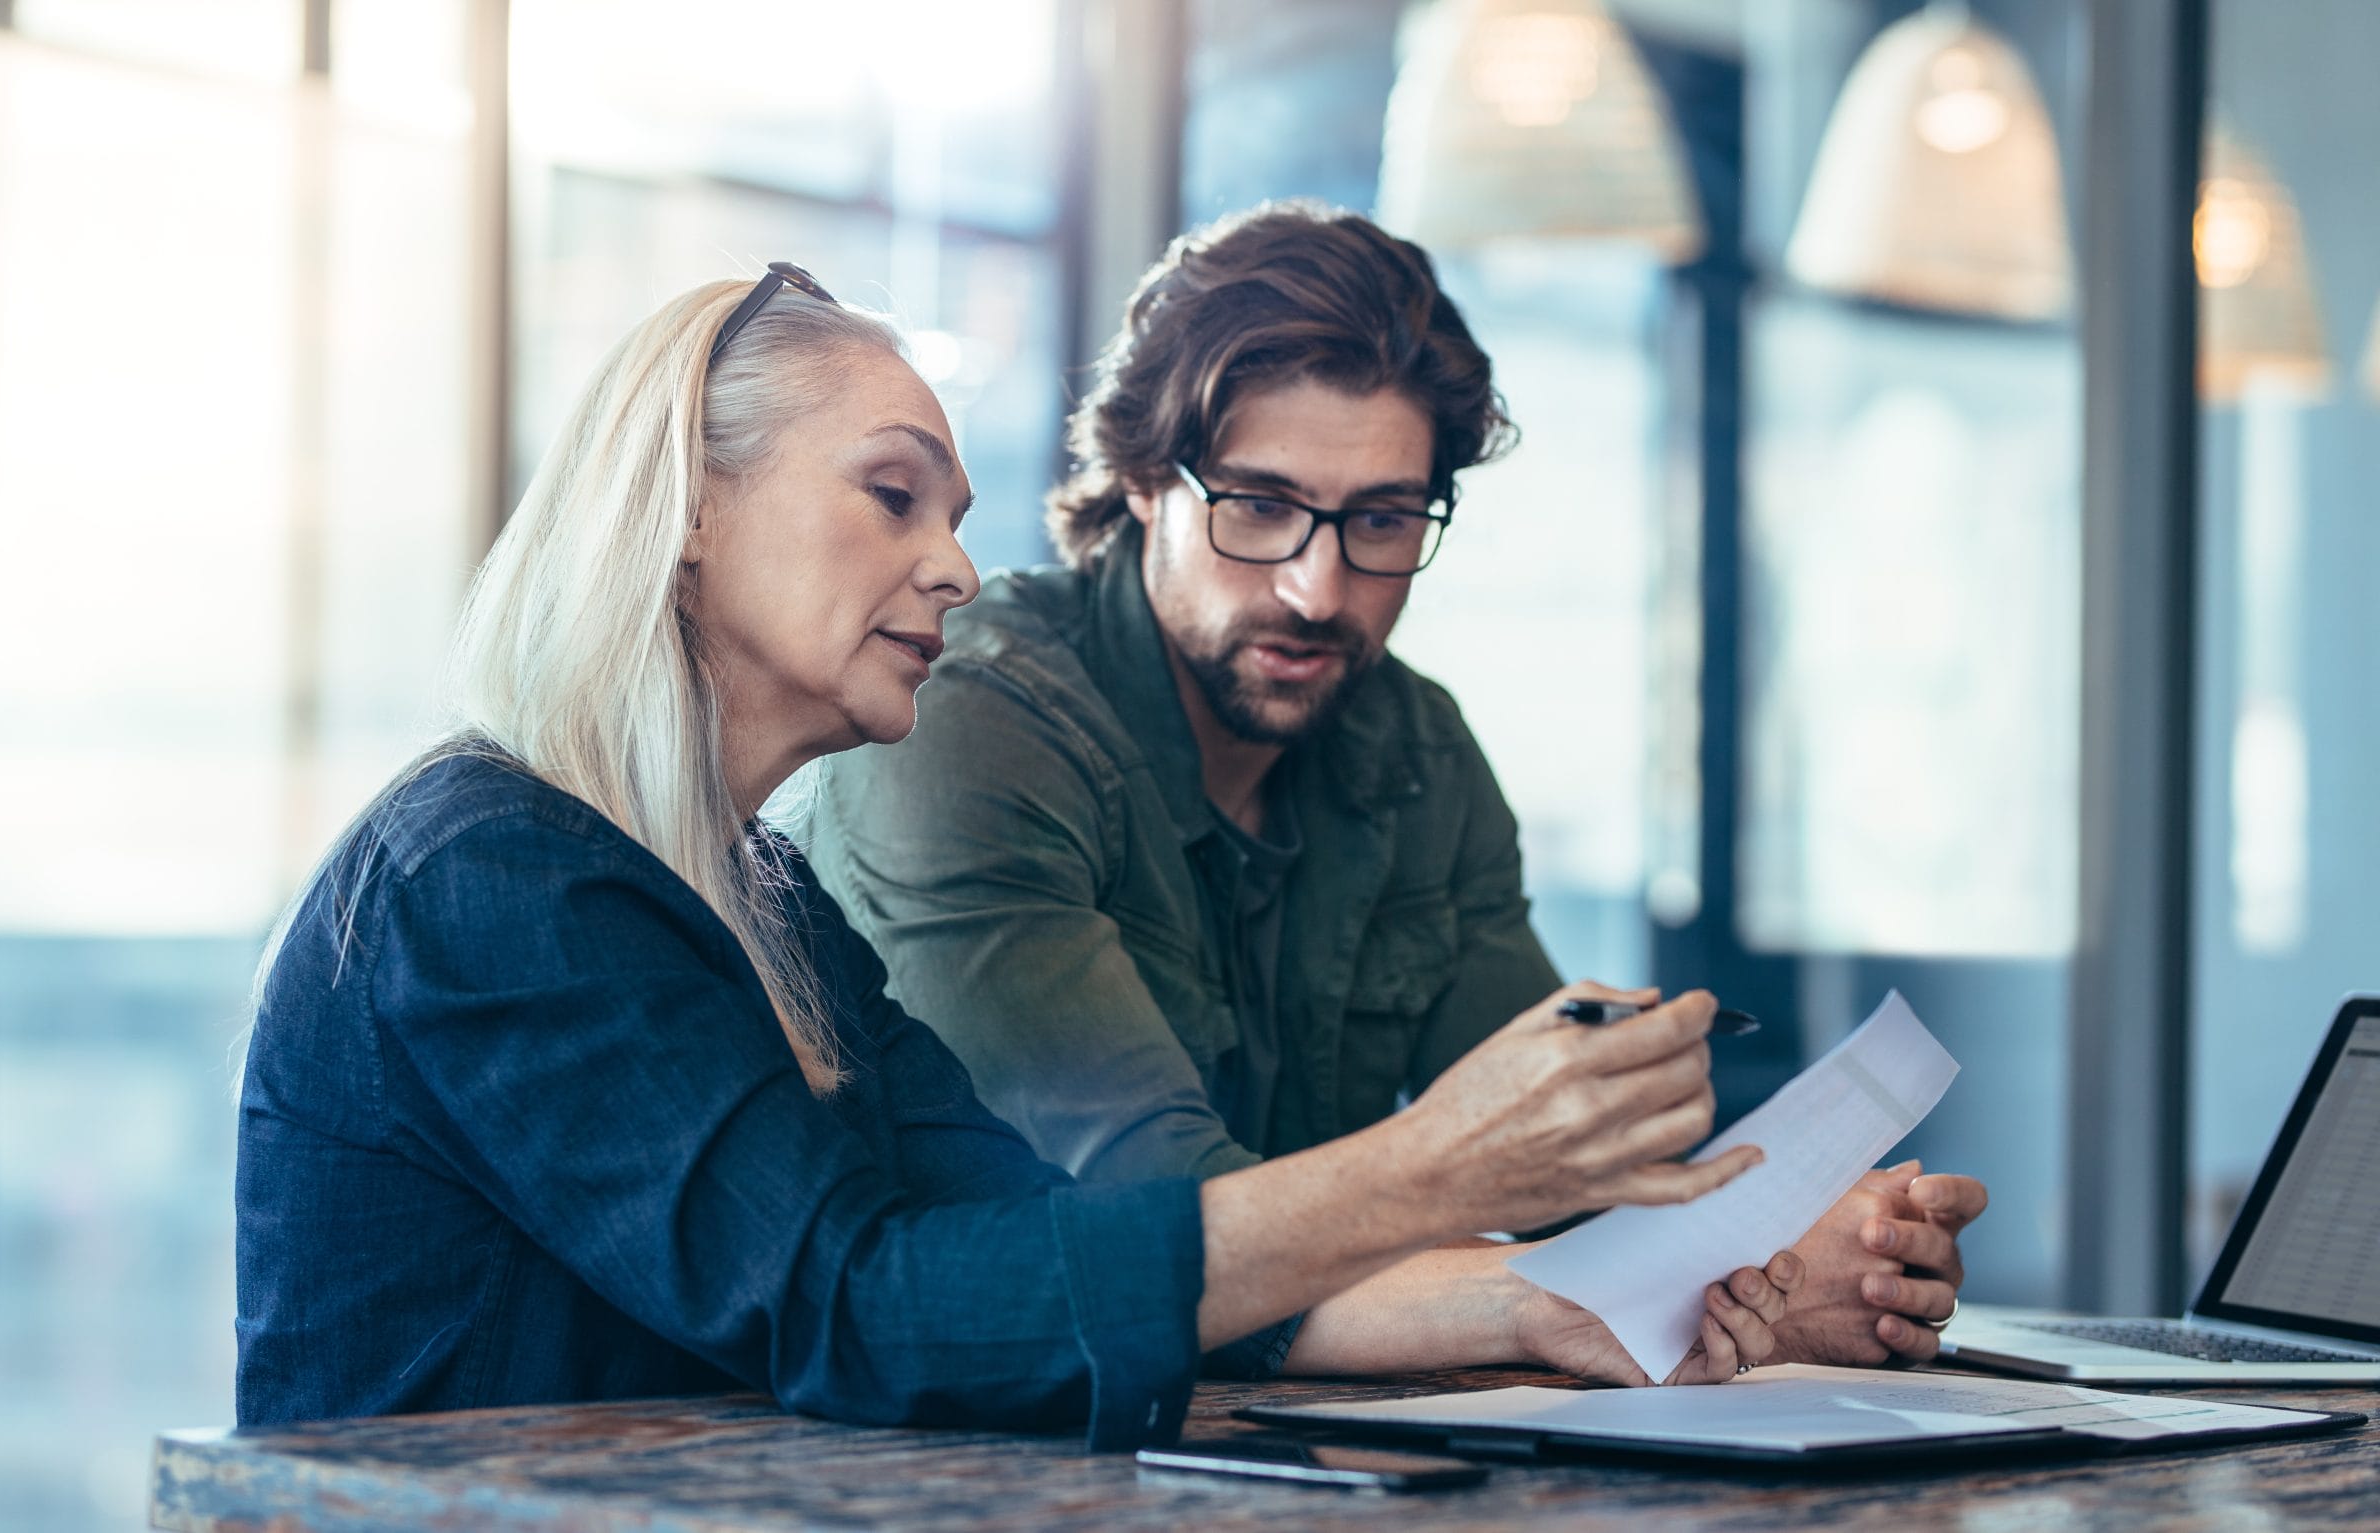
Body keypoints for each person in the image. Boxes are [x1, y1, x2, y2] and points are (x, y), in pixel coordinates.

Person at [233, 264, 1800, 1452]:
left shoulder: (761, 899)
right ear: (688, 511)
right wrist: (1435, 1170)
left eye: (958, 512)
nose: (956, 567)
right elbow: (862, 1308)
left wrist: (1556, 1301)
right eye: (892, 494)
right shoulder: (490, 879)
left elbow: (1034, 1248)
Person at [807, 204, 1989, 1370]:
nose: (1320, 590)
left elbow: (1577, 1176)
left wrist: (1789, 1254)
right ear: (1141, 480)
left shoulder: (1412, 748)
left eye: (1379, 519)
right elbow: (1151, 1231)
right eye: (1260, 507)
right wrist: (1571, 1291)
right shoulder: (966, 720)